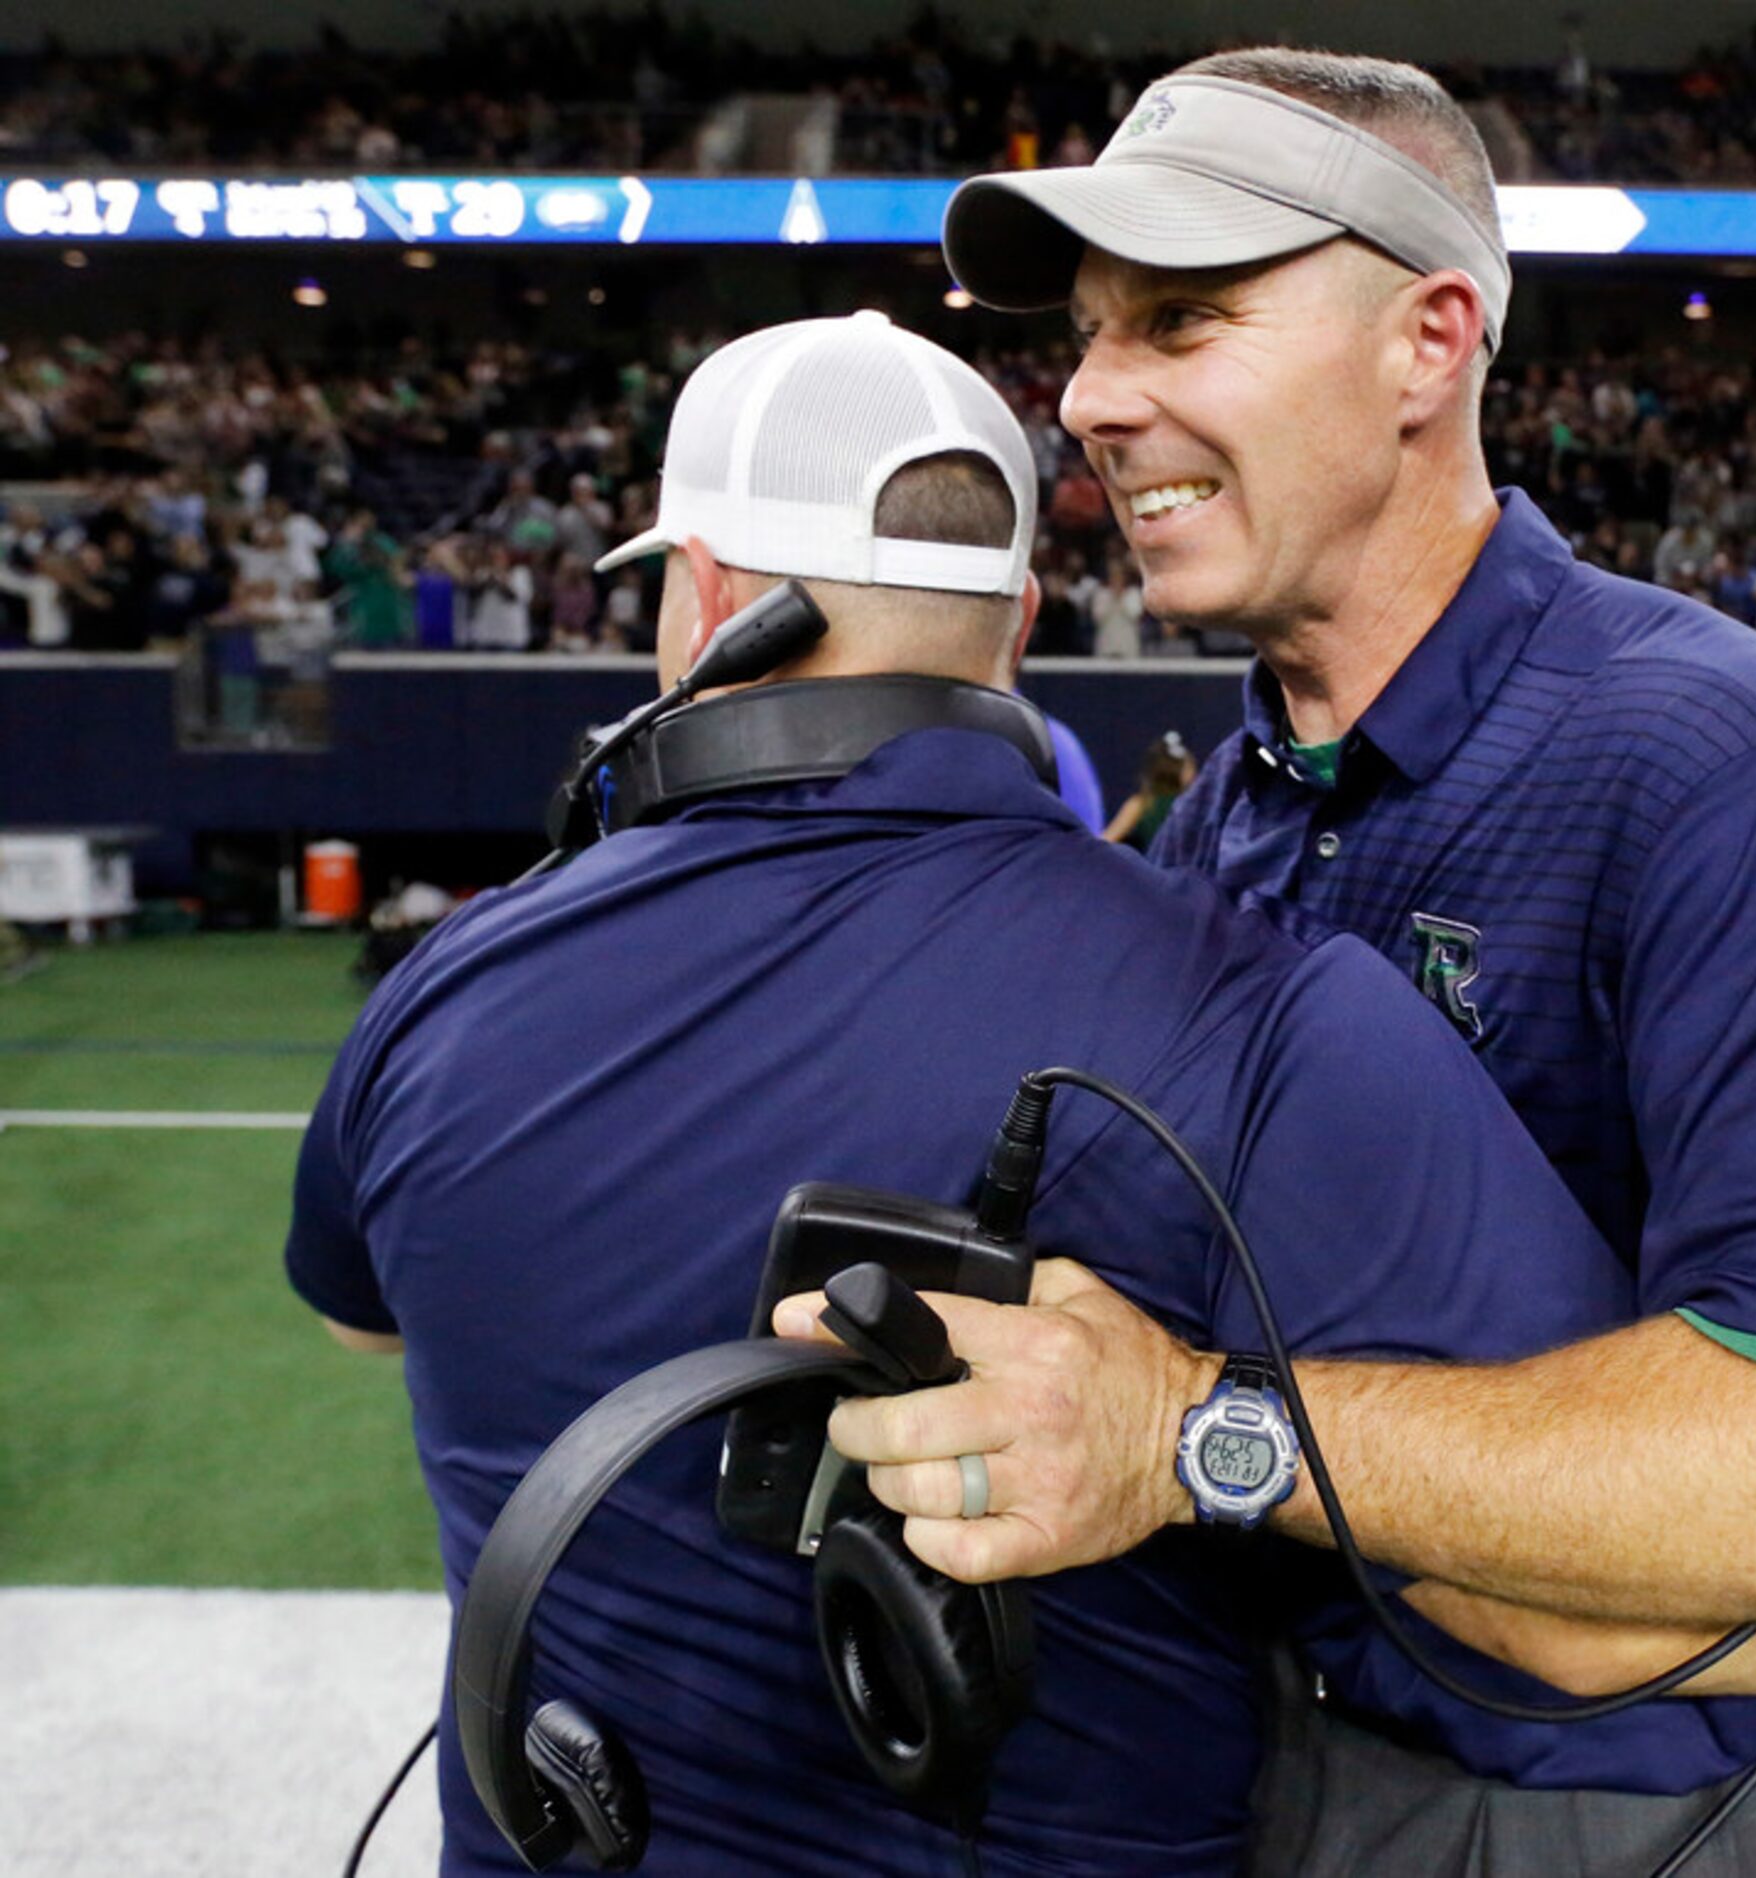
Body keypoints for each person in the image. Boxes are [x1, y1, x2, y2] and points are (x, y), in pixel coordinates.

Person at [792, 50, 1756, 1876]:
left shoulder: (1713, 763)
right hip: (1284, 1765)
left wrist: (1197, 1434)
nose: (1091, 399)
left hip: (1622, 1820)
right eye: (1085, 336)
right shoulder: (1232, 798)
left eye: (1182, 321)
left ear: (1428, 339)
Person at [284, 313, 1684, 1875]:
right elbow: (1610, 1596)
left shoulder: (441, 988)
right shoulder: (1264, 1013)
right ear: (1015, 621)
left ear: (706, 601)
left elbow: (361, 1314)